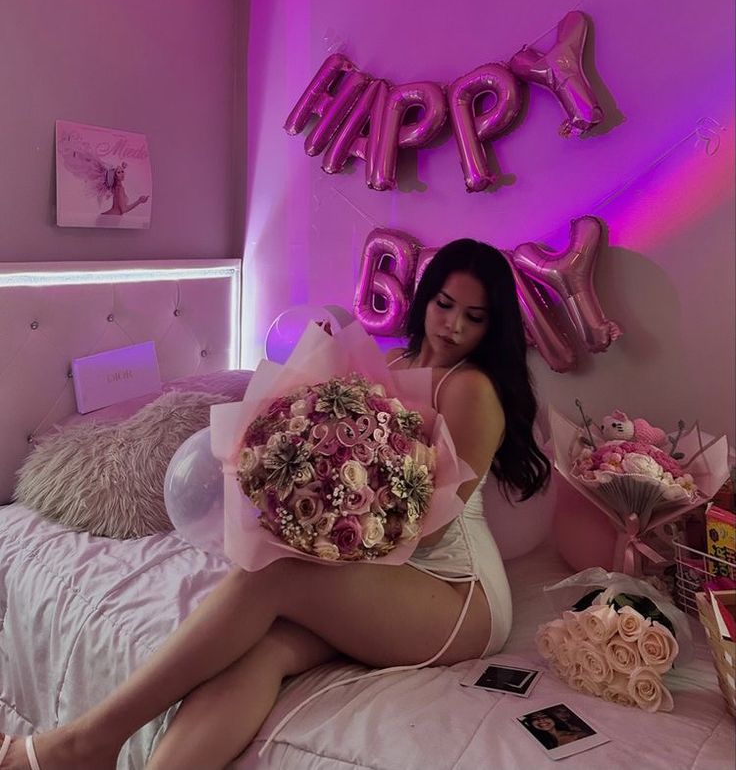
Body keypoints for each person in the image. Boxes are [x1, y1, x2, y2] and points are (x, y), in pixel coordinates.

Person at [0, 238, 550, 770]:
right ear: (425, 297)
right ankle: (105, 754)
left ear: (491, 326)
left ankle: (84, 743)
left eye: (473, 317)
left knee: (271, 575)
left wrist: (332, 522)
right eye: (444, 304)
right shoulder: (395, 361)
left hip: (454, 592)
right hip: (387, 577)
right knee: (264, 653)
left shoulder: (470, 388)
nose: (452, 325)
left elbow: (427, 532)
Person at [521, 710, 594, 749]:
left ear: (554, 719)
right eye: (535, 718)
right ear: (531, 724)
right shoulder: (532, 742)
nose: (541, 720)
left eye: (545, 716)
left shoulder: (577, 735)